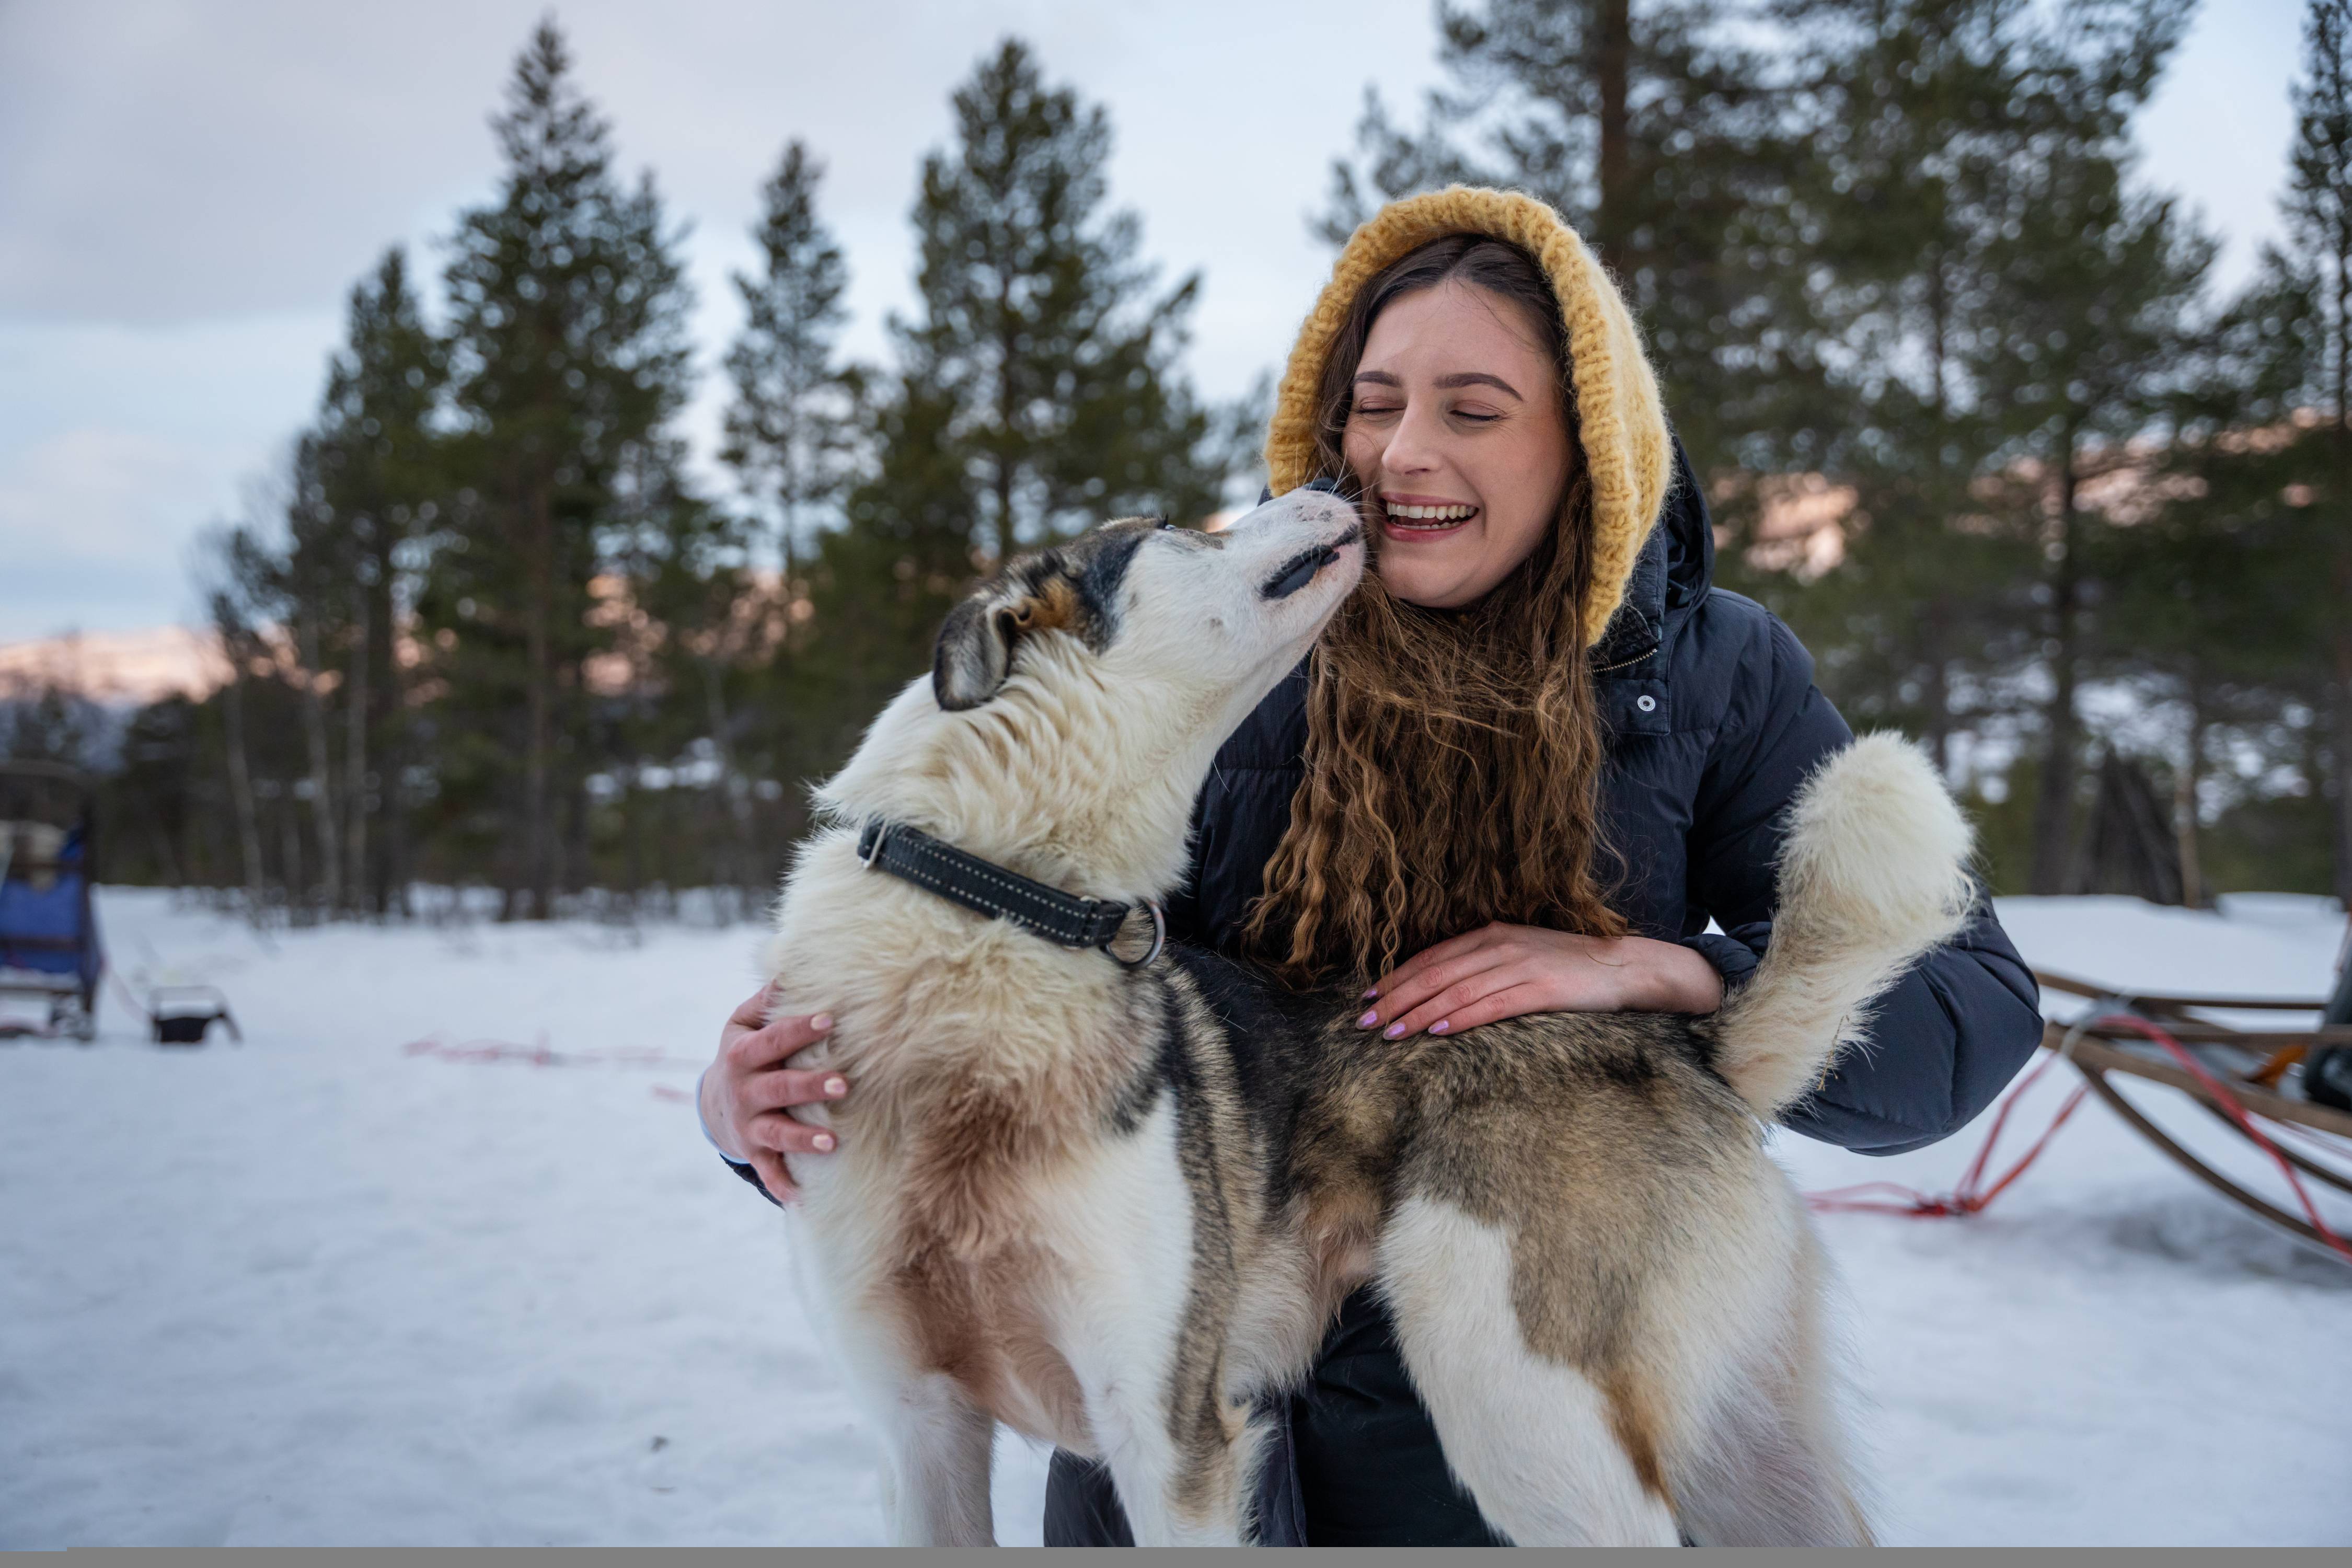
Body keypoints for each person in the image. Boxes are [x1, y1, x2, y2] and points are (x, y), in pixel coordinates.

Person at [699, 188, 2046, 1546]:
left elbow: (1964, 1014)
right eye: (1373, 402)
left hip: (1537, 1361)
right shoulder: (1231, 660)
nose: (1401, 453)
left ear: (1583, 439)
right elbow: (1040, 1000)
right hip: (1172, 1398)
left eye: (1471, 409)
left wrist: (1675, 969)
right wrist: (774, 1108)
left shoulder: (1713, 671)